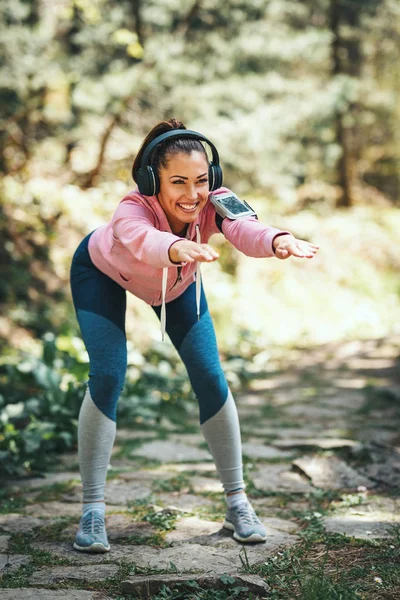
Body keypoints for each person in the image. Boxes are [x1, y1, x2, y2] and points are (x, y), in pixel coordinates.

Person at [69, 118, 319, 553]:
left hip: (178, 283)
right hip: (102, 272)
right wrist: (175, 247)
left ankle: (238, 502)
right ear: (152, 180)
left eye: (201, 181)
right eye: (178, 182)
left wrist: (277, 239)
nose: (192, 194)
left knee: (210, 375)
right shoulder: (132, 207)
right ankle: (92, 510)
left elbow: (245, 227)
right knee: (108, 375)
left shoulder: (214, 202)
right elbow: (139, 238)